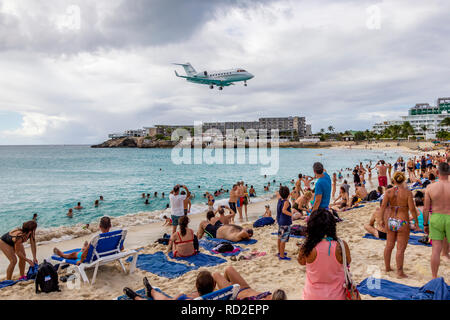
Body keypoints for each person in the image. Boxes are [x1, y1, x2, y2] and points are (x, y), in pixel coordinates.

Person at [298, 208, 351, 300]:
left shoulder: (307, 247)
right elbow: (348, 261)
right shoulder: (341, 245)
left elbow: (301, 262)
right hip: (337, 295)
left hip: (312, 295)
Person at [379, 172, 419, 278]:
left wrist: (381, 220)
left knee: (389, 245)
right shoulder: (407, 193)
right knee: (400, 248)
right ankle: (399, 272)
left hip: (391, 220)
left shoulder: (388, 192)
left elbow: (383, 207)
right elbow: (412, 209)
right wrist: (416, 222)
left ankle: (387, 267)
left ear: (394, 180)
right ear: (404, 180)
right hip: (403, 221)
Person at [53, 216, 119, 266]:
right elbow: (121, 248)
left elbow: (84, 255)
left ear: (99, 226)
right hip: (108, 255)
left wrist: (81, 261)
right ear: (110, 226)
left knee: (74, 254)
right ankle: (84, 247)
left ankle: (62, 254)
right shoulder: (115, 236)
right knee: (88, 248)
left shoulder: (97, 238)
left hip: (95, 258)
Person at [423, 162, 450, 278]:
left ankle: (434, 276)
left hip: (436, 217)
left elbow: (425, 208)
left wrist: (425, 224)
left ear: (438, 173)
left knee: (436, 250)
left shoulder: (430, 187)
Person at [123, 272, 215, 300]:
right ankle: (151, 291)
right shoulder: (218, 295)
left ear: (196, 285)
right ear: (214, 286)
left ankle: (137, 298)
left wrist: (179, 296)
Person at [213, 266, 287, 300]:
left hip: (235, 294)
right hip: (245, 288)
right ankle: (224, 291)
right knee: (229, 269)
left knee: (216, 275)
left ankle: (225, 294)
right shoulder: (271, 296)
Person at [277, 186, 293, 260]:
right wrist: (291, 214)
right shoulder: (286, 202)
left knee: (279, 237)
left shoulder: (280, 200)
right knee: (283, 240)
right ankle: (282, 256)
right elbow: (284, 210)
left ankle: (280, 252)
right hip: (285, 222)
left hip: (280, 221)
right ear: (288, 194)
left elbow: (278, 193)